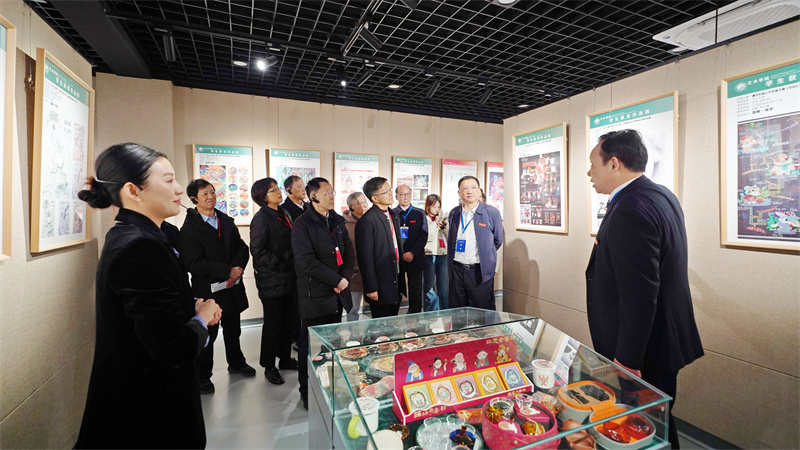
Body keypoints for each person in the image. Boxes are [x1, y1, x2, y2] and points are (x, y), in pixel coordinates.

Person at [75, 143, 221, 448]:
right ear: (133, 191)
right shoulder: (140, 246)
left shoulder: (134, 234)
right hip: (148, 412)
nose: (178, 188)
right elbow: (173, 348)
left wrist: (186, 308)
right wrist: (201, 317)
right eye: (168, 180)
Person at [585, 129, 703, 449]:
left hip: (646, 348)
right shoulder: (660, 195)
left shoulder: (630, 209)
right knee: (658, 421)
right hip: (664, 337)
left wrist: (627, 358)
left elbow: (640, 293)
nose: (589, 173)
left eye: (593, 164)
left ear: (614, 163)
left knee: (646, 426)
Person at [179, 179, 255, 395]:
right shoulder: (189, 229)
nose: (211, 197)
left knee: (234, 329)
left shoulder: (225, 221)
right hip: (208, 291)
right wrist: (227, 271)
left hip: (232, 287)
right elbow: (193, 264)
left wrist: (237, 269)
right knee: (208, 335)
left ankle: (237, 362)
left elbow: (242, 247)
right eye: (204, 194)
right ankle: (203, 376)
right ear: (193, 199)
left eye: (212, 192)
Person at [292, 177, 355, 409]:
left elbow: (348, 253)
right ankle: (307, 391)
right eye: (327, 192)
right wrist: (336, 280)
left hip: (337, 293)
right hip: (314, 295)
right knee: (310, 347)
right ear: (313, 197)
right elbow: (305, 261)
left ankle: (329, 388)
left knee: (332, 344)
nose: (331, 196)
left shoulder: (336, 221)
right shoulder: (302, 224)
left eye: (332, 192)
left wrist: (344, 279)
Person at [250, 177, 299, 386]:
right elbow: (258, 252)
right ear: (263, 197)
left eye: (278, 188)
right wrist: (283, 262)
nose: (279, 192)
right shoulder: (261, 219)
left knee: (288, 321)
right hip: (272, 280)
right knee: (273, 325)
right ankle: (269, 366)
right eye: (273, 190)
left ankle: (285, 358)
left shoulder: (283, 212)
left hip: (288, 278)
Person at [446, 176, 503, 310]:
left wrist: (485, 254)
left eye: (473, 188)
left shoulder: (491, 212)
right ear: (459, 193)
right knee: (457, 310)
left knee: (483, 311)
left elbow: (498, 240)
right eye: (465, 188)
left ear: (479, 191)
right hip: (457, 270)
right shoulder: (454, 213)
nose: (469, 191)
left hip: (479, 271)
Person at [355, 177, 406, 318]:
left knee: (393, 320)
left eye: (390, 190)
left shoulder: (394, 215)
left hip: (395, 275)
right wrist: (371, 287)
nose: (390, 194)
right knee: (381, 324)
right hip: (380, 282)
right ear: (375, 198)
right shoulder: (367, 221)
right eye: (385, 192)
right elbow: (365, 258)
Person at [393, 185, 428, 314]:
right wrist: (399, 254)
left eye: (408, 194)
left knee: (415, 290)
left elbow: (423, 235)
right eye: (402, 194)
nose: (406, 197)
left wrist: (412, 252)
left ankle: (415, 316)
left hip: (415, 257)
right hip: (396, 258)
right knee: (396, 289)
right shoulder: (392, 213)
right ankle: (393, 315)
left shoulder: (419, 213)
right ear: (396, 196)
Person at [343, 191, 371, 321]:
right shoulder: (344, 224)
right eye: (359, 203)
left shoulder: (372, 219)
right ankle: (352, 333)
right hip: (354, 273)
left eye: (364, 201)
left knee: (376, 307)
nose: (364, 205)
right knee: (353, 309)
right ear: (351, 207)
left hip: (371, 272)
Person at [423, 194, 449, 311]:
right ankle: (430, 312)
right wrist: (436, 223)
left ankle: (444, 311)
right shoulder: (424, 219)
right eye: (434, 207)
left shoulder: (443, 219)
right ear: (428, 206)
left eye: (438, 207)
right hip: (429, 254)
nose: (436, 210)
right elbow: (426, 234)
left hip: (443, 254)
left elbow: (449, 237)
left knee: (443, 286)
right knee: (429, 286)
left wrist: (444, 227)